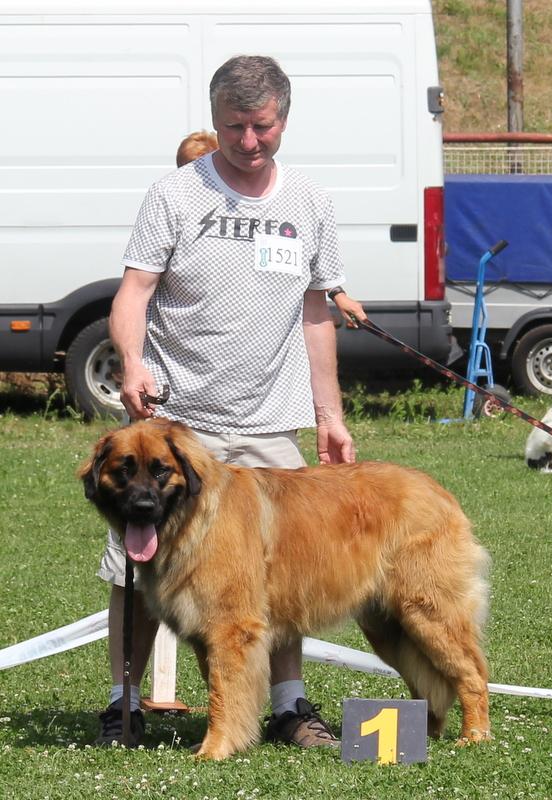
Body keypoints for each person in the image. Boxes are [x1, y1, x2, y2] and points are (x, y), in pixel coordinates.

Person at [96, 55, 356, 751]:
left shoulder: (310, 202)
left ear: (284, 119)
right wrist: (132, 362)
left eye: (261, 126)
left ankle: (289, 707)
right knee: (137, 565)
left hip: (269, 421)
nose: (248, 141)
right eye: (234, 126)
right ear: (215, 120)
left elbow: (317, 315)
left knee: (281, 568)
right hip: (177, 426)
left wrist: (329, 416)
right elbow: (134, 293)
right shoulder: (175, 195)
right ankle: (125, 703)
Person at [176, 130, 367, 327]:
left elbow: (308, 259)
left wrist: (338, 295)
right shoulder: (177, 211)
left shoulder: (253, 208)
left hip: (265, 325)